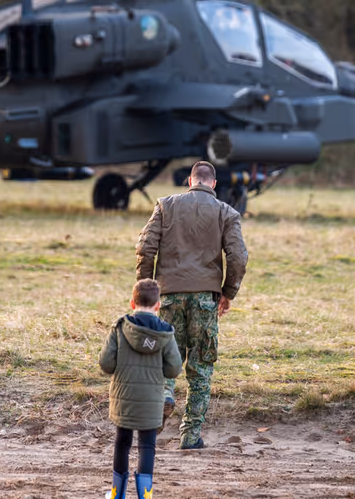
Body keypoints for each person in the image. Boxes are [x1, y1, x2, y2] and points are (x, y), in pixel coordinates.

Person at [135, 161, 248, 450]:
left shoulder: (165, 205)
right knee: (200, 366)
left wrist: (146, 289)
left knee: (165, 354)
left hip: (169, 294)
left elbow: (145, 247)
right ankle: (190, 435)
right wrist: (228, 292)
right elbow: (237, 257)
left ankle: (164, 393)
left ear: (189, 181)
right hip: (205, 298)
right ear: (213, 183)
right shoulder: (227, 212)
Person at [99, 278, 182, 499]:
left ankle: (117, 493)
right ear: (157, 305)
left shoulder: (120, 328)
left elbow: (106, 364)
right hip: (152, 400)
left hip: (124, 398)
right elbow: (174, 369)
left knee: (122, 443)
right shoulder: (166, 333)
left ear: (132, 303)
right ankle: (145, 495)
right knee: (147, 446)